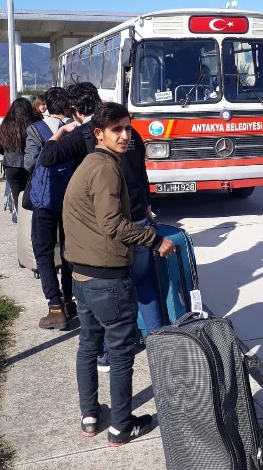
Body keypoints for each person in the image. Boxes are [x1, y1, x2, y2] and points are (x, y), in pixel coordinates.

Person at [62, 102, 174, 446]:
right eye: (117, 130)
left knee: (88, 344)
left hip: (81, 275)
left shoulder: (90, 163)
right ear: (99, 133)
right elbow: (113, 224)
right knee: (121, 351)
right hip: (106, 277)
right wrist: (154, 239)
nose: (125, 136)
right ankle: (121, 426)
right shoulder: (106, 169)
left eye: (128, 128)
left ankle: (90, 416)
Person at [40, 83, 165, 372]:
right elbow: (142, 173)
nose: (122, 134)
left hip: (111, 229)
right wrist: (146, 207)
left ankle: (108, 353)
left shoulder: (85, 133)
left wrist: (61, 131)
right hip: (140, 217)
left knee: (113, 294)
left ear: (74, 110)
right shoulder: (131, 134)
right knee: (144, 285)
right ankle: (160, 345)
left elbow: (47, 158)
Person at [24, 86, 75, 330]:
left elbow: (29, 163)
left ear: (47, 105)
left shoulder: (36, 130)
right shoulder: (76, 129)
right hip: (71, 198)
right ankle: (69, 300)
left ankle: (55, 307)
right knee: (69, 249)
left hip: (45, 199)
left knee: (43, 251)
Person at [0, 97, 39, 210]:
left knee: (16, 200)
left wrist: (9, 154)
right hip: (30, 167)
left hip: (11, 167)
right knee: (30, 200)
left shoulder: (5, 125)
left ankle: (18, 219)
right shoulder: (35, 124)